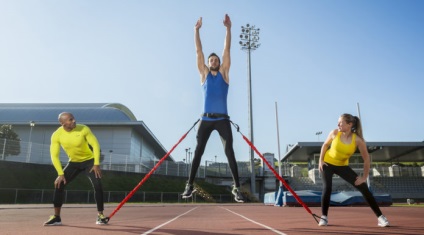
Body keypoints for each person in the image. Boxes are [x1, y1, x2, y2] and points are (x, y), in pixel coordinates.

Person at [181, 14, 244, 202]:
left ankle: (237, 189)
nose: (214, 61)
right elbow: (198, 51)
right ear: (208, 64)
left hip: (223, 119)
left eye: (216, 60)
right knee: (198, 151)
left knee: (229, 152)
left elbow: (227, 49)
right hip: (205, 119)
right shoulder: (204, 75)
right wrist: (196, 30)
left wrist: (228, 29)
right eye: (211, 60)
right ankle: (189, 186)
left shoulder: (224, 73)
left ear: (220, 63)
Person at [318, 113, 390, 227]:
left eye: (341, 122)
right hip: (327, 163)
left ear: (350, 124)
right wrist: (320, 160)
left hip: (342, 166)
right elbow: (325, 145)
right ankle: (324, 217)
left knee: (363, 187)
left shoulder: (358, 140)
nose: (338, 124)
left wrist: (364, 177)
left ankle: (381, 217)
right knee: (327, 187)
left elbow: (366, 159)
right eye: (338, 122)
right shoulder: (334, 133)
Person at [44, 112, 107, 226]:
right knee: (59, 184)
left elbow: (95, 145)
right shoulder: (57, 135)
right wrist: (60, 173)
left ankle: (100, 215)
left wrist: (96, 164)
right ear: (62, 123)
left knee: (98, 185)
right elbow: (54, 156)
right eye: (70, 119)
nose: (74, 121)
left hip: (89, 161)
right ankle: (57, 217)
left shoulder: (83, 129)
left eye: (73, 118)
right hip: (73, 162)